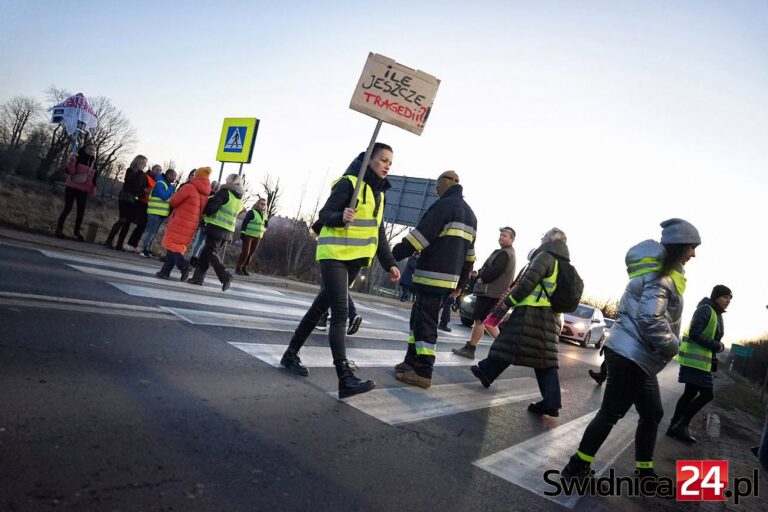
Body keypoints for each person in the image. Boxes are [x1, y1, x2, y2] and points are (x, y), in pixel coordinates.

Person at [561, 218, 701, 484]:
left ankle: (644, 471)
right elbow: (650, 318)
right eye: (692, 247)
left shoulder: (660, 274)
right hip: (632, 355)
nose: (693, 254)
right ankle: (577, 466)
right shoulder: (662, 277)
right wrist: (673, 345)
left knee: (652, 413)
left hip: (638, 356)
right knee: (611, 413)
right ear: (680, 246)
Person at [280, 143, 400, 399]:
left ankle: (290, 354)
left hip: (355, 260)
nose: (387, 165)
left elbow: (377, 232)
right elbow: (325, 214)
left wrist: (389, 262)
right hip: (333, 254)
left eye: (390, 161)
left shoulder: (379, 194)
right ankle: (344, 377)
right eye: (382, 160)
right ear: (369, 161)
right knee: (341, 313)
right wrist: (341, 216)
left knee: (318, 309)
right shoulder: (348, 184)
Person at [470, 228, 569, 418]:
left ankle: (487, 371)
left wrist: (505, 306)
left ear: (549, 240)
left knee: (508, 342)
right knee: (543, 357)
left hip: (532, 313)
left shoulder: (545, 257)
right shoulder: (563, 263)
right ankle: (550, 401)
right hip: (552, 315)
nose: (541, 239)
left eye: (543, 236)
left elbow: (525, 285)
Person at [392, 170, 477, 389]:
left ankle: (423, 371)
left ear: (443, 184)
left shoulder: (443, 206)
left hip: (431, 276)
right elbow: (470, 257)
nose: (436, 190)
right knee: (418, 321)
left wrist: (392, 255)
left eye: (437, 187)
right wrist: (461, 285)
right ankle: (411, 362)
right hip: (448, 282)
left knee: (425, 323)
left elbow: (419, 237)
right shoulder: (470, 215)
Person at [666, 284, 730, 443]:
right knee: (707, 395)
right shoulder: (706, 309)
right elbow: (695, 333)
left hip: (700, 362)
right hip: (696, 362)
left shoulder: (715, 312)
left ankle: (674, 427)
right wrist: (717, 345)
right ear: (716, 296)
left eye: (730, 298)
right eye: (725, 297)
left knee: (689, 394)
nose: (728, 300)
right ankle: (681, 426)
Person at [452, 226, 517, 356]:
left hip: (490, 292)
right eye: (501, 235)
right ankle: (503, 347)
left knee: (479, 321)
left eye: (505, 235)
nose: (501, 237)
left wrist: (481, 276)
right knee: (488, 323)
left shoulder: (505, 253)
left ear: (512, 239)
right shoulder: (505, 252)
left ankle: (471, 349)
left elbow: (493, 272)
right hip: (494, 293)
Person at [187, 173, 244, 291]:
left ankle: (225, 276)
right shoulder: (239, 200)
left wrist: (205, 210)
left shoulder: (224, 192)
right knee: (205, 254)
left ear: (228, 181)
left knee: (212, 252)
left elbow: (212, 208)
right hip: (228, 231)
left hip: (216, 228)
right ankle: (197, 278)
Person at [156, 167, 211, 280]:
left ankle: (184, 266)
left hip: (180, 220)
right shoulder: (205, 193)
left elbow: (173, 201)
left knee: (172, 245)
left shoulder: (189, 187)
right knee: (176, 246)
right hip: (192, 223)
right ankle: (165, 272)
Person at [104, 155, 148, 250]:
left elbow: (143, 187)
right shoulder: (130, 170)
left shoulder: (143, 175)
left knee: (128, 222)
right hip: (126, 197)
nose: (144, 165)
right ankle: (109, 240)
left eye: (145, 164)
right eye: (143, 163)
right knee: (123, 219)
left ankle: (120, 244)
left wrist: (141, 191)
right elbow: (130, 182)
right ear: (138, 162)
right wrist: (138, 173)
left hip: (135, 199)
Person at [55, 143, 97, 241]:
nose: (91, 151)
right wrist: (72, 162)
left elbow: (94, 177)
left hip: (84, 189)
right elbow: (70, 172)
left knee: (81, 212)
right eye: (89, 149)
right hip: (72, 186)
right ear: (85, 149)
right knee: (67, 208)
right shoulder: (77, 158)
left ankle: (76, 232)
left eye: (93, 150)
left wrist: (93, 189)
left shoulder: (94, 163)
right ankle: (59, 229)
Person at [139, 168, 177, 257]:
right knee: (151, 231)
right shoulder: (160, 183)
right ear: (169, 175)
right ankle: (143, 249)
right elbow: (164, 196)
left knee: (154, 232)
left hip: (161, 213)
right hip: (154, 211)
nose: (175, 178)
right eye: (174, 176)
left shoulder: (167, 184)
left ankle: (148, 249)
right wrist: (172, 188)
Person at [125, 164, 162, 253]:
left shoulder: (157, 181)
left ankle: (134, 244)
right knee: (136, 223)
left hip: (149, 205)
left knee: (142, 226)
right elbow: (141, 187)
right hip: (140, 202)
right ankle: (129, 244)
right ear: (152, 169)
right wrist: (145, 191)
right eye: (157, 169)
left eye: (160, 170)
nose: (158, 172)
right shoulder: (146, 177)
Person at [235, 197, 268, 275]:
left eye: (264, 204)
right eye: (261, 203)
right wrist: (242, 232)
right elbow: (245, 222)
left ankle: (244, 268)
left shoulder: (265, 215)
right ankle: (238, 268)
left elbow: (266, 225)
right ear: (258, 204)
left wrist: (264, 230)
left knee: (251, 253)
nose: (263, 205)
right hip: (248, 235)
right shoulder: (252, 212)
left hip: (258, 237)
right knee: (246, 252)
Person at [190, 180, 219, 267]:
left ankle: (193, 257)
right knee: (202, 243)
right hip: (209, 222)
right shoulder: (216, 198)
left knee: (198, 241)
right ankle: (196, 258)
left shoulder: (206, 194)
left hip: (203, 221)